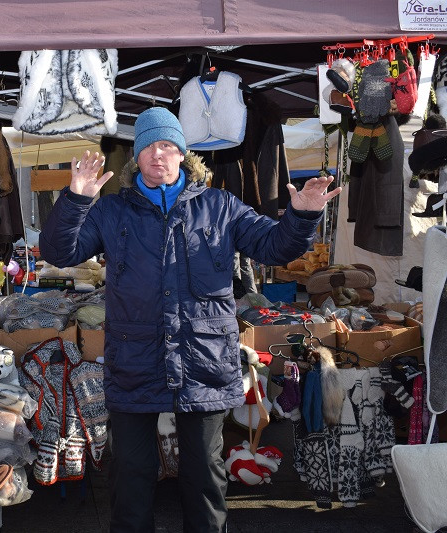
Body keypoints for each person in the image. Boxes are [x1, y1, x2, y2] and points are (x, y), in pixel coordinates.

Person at [39, 107, 341, 533]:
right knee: (130, 478)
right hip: (133, 362)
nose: (157, 155)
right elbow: (58, 253)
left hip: (204, 362)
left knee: (204, 479)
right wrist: (76, 200)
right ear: (136, 159)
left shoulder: (220, 207)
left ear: (183, 153)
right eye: (147, 147)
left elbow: (274, 247)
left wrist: (303, 215)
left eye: (166, 145)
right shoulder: (111, 212)